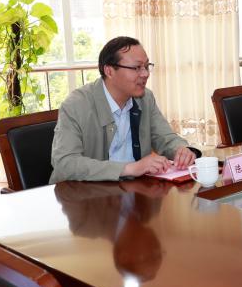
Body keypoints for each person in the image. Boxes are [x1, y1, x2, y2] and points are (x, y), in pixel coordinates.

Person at [50, 36, 198, 183]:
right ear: (109, 71)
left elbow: (165, 138)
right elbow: (64, 163)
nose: (145, 74)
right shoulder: (76, 105)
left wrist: (182, 150)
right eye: (136, 68)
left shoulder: (145, 98)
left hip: (134, 189)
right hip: (83, 193)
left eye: (146, 66)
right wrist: (129, 168)